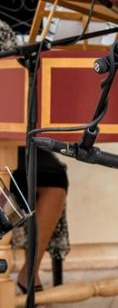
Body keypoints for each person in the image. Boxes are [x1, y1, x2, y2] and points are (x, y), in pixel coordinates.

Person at [0, 20, 69, 293]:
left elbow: (17, 79)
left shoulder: (1, 29)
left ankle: (29, 272)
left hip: (9, 131)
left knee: (54, 178)